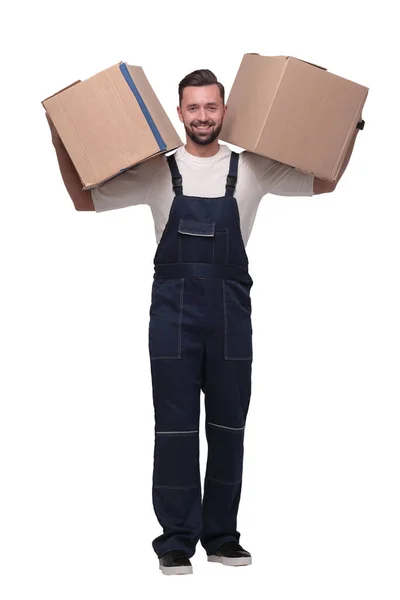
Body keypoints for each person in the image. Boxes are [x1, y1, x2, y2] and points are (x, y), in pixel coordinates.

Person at [46, 68, 361, 575]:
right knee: (174, 430)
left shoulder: (253, 168)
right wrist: (60, 136)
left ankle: (222, 537)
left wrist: (351, 125)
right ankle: (175, 541)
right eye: (193, 108)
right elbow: (83, 198)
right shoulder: (156, 171)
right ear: (179, 113)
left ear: (225, 110)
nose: (202, 117)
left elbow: (325, 180)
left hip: (231, 318)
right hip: (172, 318)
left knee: (228, 428)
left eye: (211, 107)